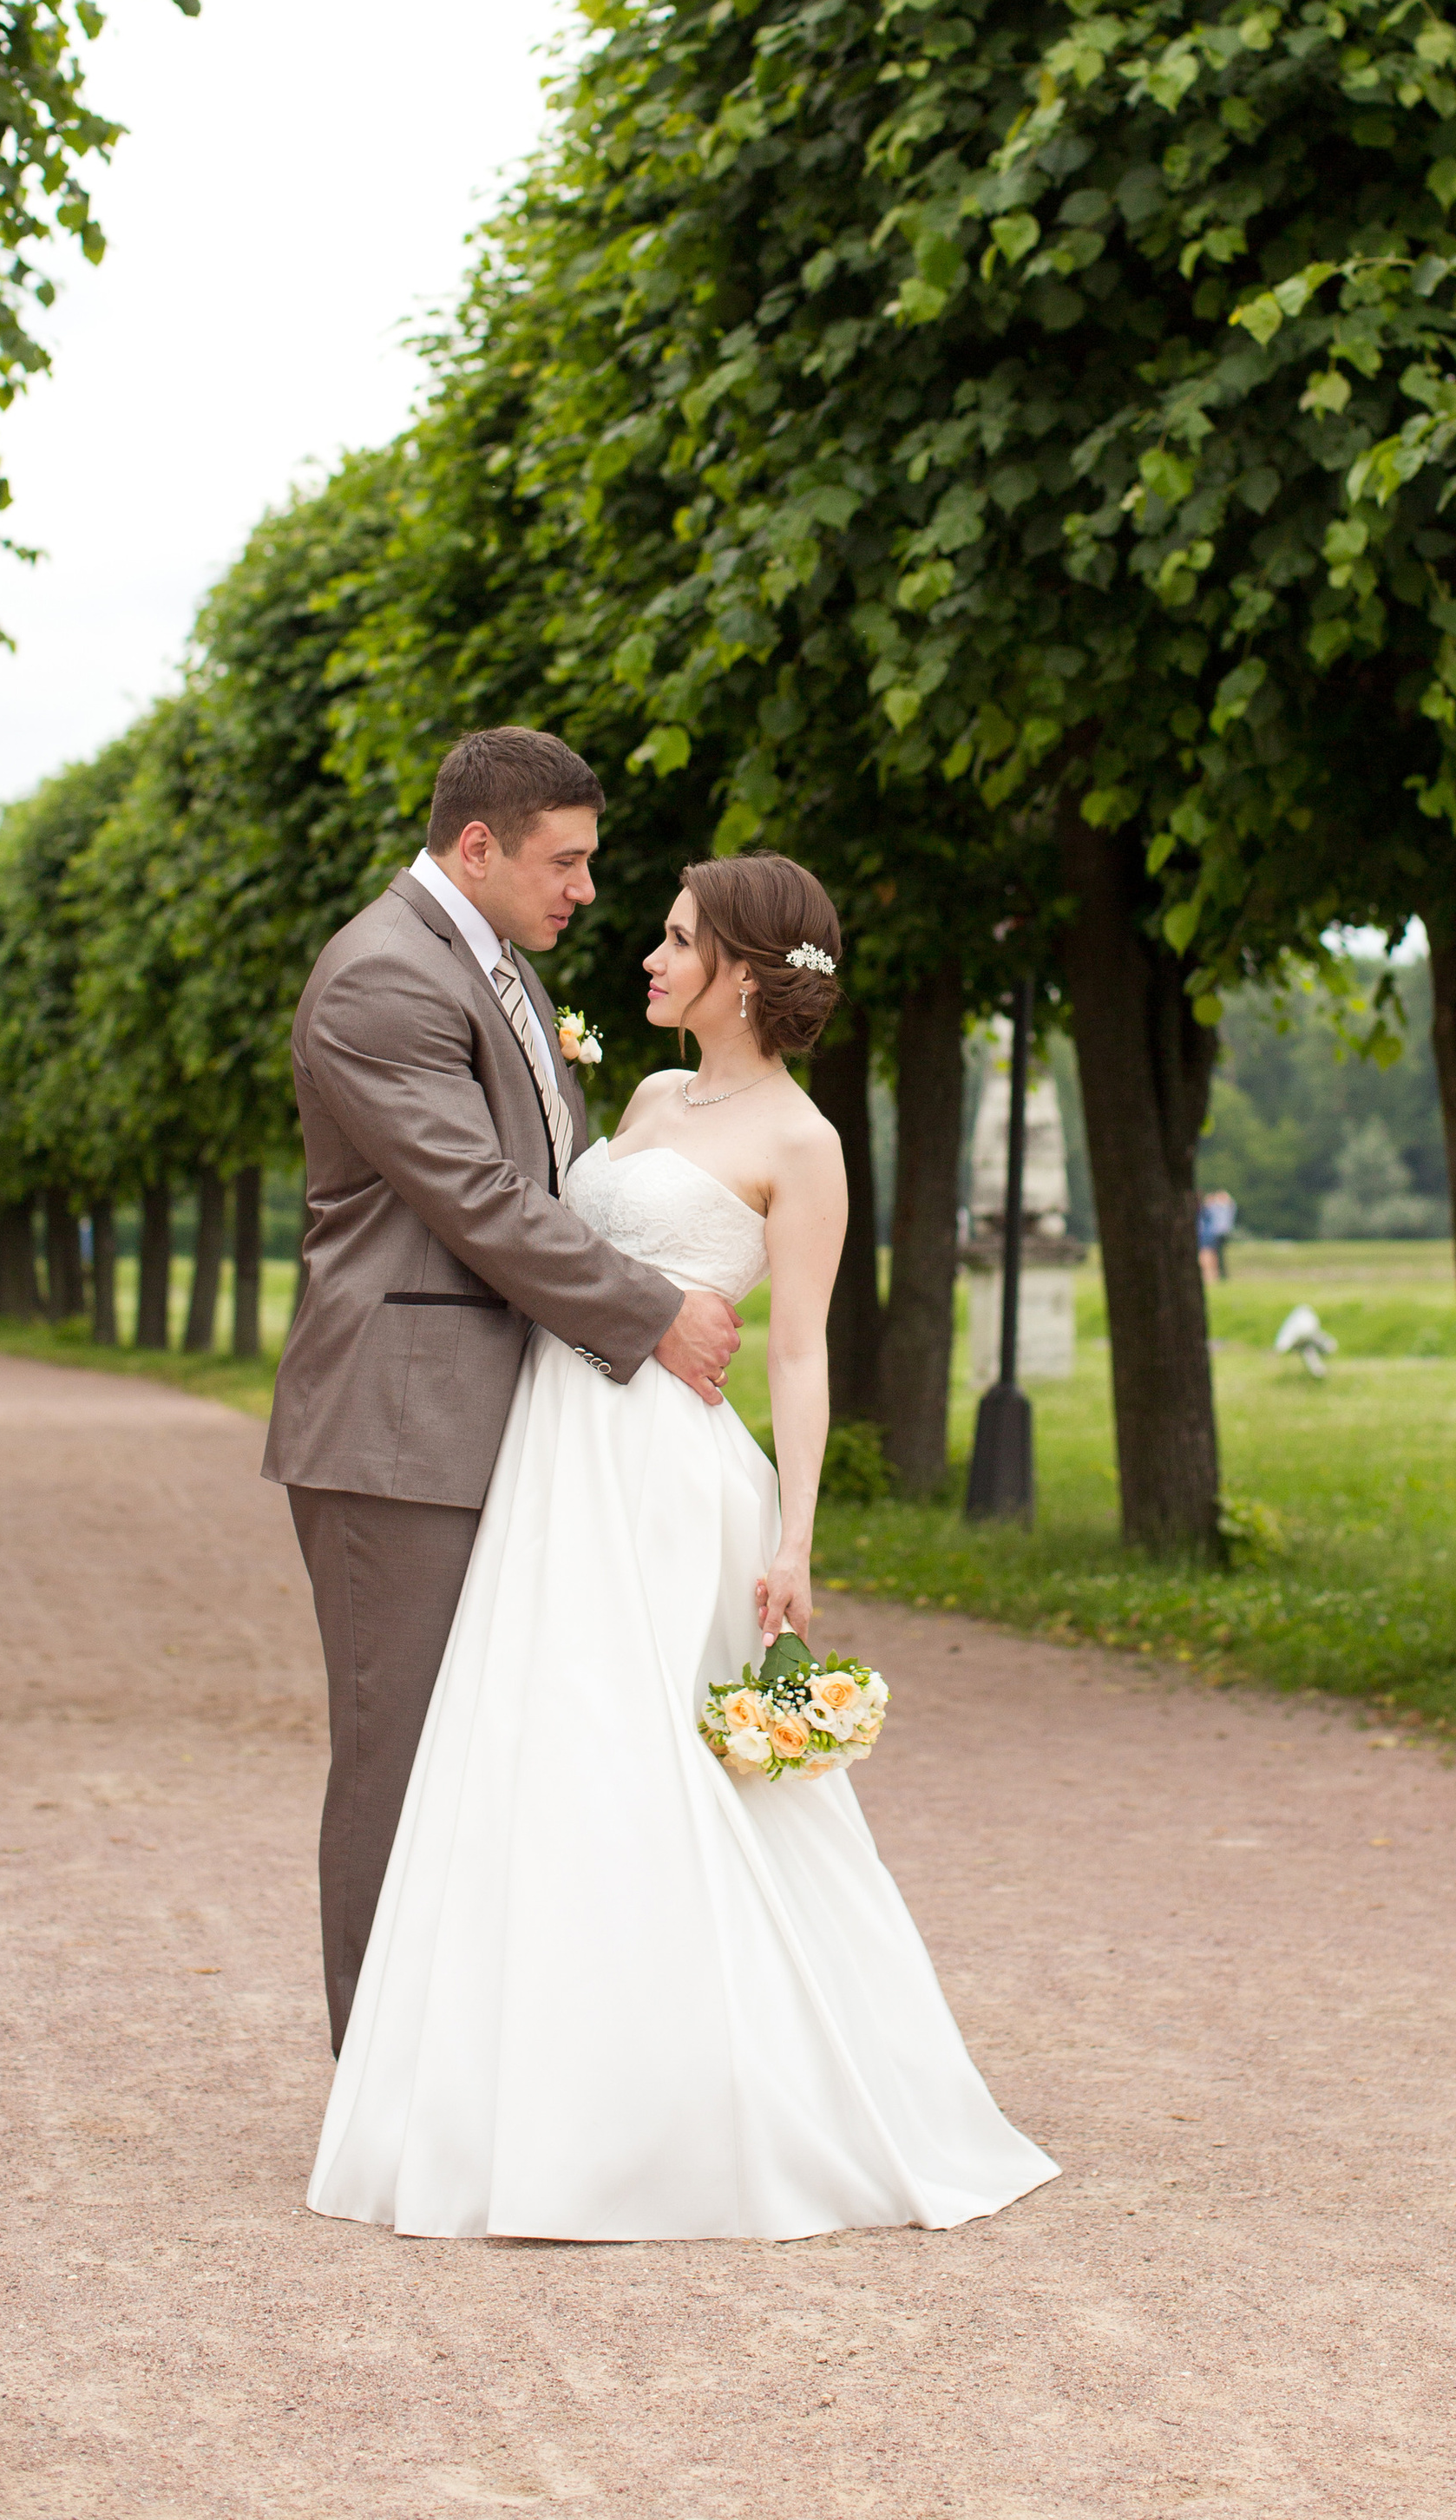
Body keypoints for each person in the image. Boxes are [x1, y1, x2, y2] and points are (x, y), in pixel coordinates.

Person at [303, 840, 1058, 2243]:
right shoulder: (644, 1092)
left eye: (675, 937)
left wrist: (798, 1535)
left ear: (745, 974)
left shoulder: (804, 1144)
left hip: (662, 1474)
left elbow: (798, 1358)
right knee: (537, 1754)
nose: (646, 955)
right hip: (553, 1453)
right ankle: (528, 2092)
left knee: (649, 1759)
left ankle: (691, 2105)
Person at [264, 727, 743, 2058]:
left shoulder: (504, 972)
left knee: (493, 1747)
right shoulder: (379, 978)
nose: (587, 889)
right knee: (399, 1754)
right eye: (566, 860)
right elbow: (476, 1202)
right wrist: (651, 1316)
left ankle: (471, 2064)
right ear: (477, 847)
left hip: (502, 1422)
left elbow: (553, 1179)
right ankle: (379, 2078)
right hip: (397, 1430)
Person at [1197, 1186, 1236, 1283]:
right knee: (1214, 1254)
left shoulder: (1216, 1208)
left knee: (1211, 1253)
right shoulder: (1215, 1208)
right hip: (1212, 1233)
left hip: (1211, 1234)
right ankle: (1216, 1274)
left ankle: (1213, 1275)